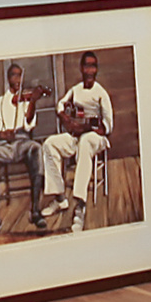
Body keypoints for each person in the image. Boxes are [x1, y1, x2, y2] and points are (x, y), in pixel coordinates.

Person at [0, 69, 44, 237]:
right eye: (14, 75)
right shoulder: (0, 102)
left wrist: (33, 101)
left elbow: (29, 124)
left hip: (23, 142)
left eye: (20, 75)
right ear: (8, 78)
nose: (17, 79)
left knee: (37, 149)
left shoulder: (26, 100)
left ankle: (35, 210)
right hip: (5, 145)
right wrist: (1, 134)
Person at [45, 58, 115, 224]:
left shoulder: (101, 93)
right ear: (81, 68)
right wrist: (66, 120)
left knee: (85, 143)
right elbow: (60, 104)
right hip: (76, 136)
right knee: (49, 144)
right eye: (86, 66)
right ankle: (60, 198)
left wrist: (86, 128)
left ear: (96, 69)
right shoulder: (75, 90)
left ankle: (80, 205)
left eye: (93, 66)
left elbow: (108, 125)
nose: (89, 71)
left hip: (95, 137)